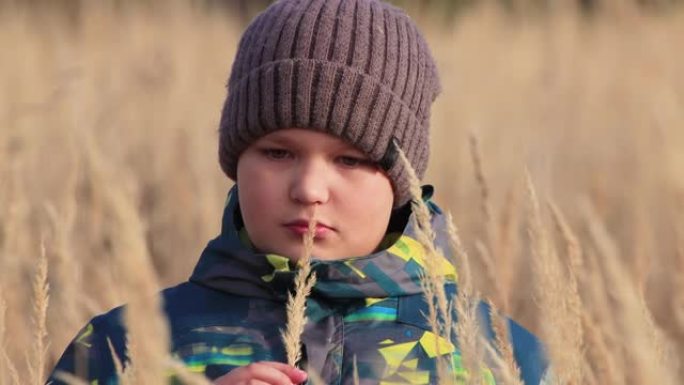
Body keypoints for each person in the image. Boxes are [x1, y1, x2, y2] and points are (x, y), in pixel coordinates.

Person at [47, 0, 551, 384]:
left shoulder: (501, 357)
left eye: (350, 159)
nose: (310, 189)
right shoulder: (123, 346)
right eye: (277, 152)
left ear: (402, 181)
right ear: (235, 159)